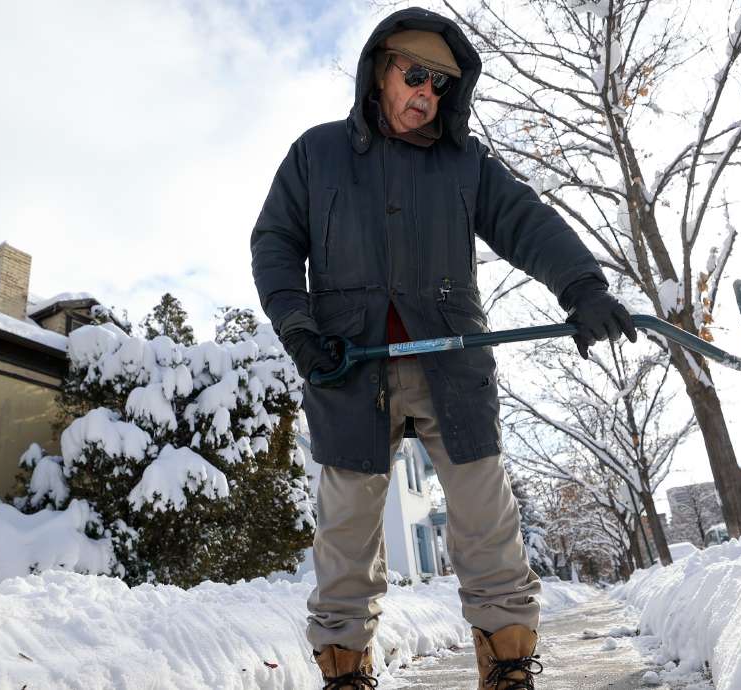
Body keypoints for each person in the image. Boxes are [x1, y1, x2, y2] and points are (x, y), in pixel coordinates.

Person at [250, 7, 634, 689]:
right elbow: (276, 243)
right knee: (345, 533)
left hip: (450, 368)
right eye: (416, 76)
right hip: (348, 367)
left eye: (442, 87)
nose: (427, 96)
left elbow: (527, 222)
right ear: (381, 68)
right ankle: (345, 670)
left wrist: (581, 287)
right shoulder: (317, 154)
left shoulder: (466, 164)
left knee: (487, 520)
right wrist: (298, 327)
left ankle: (508, 665)